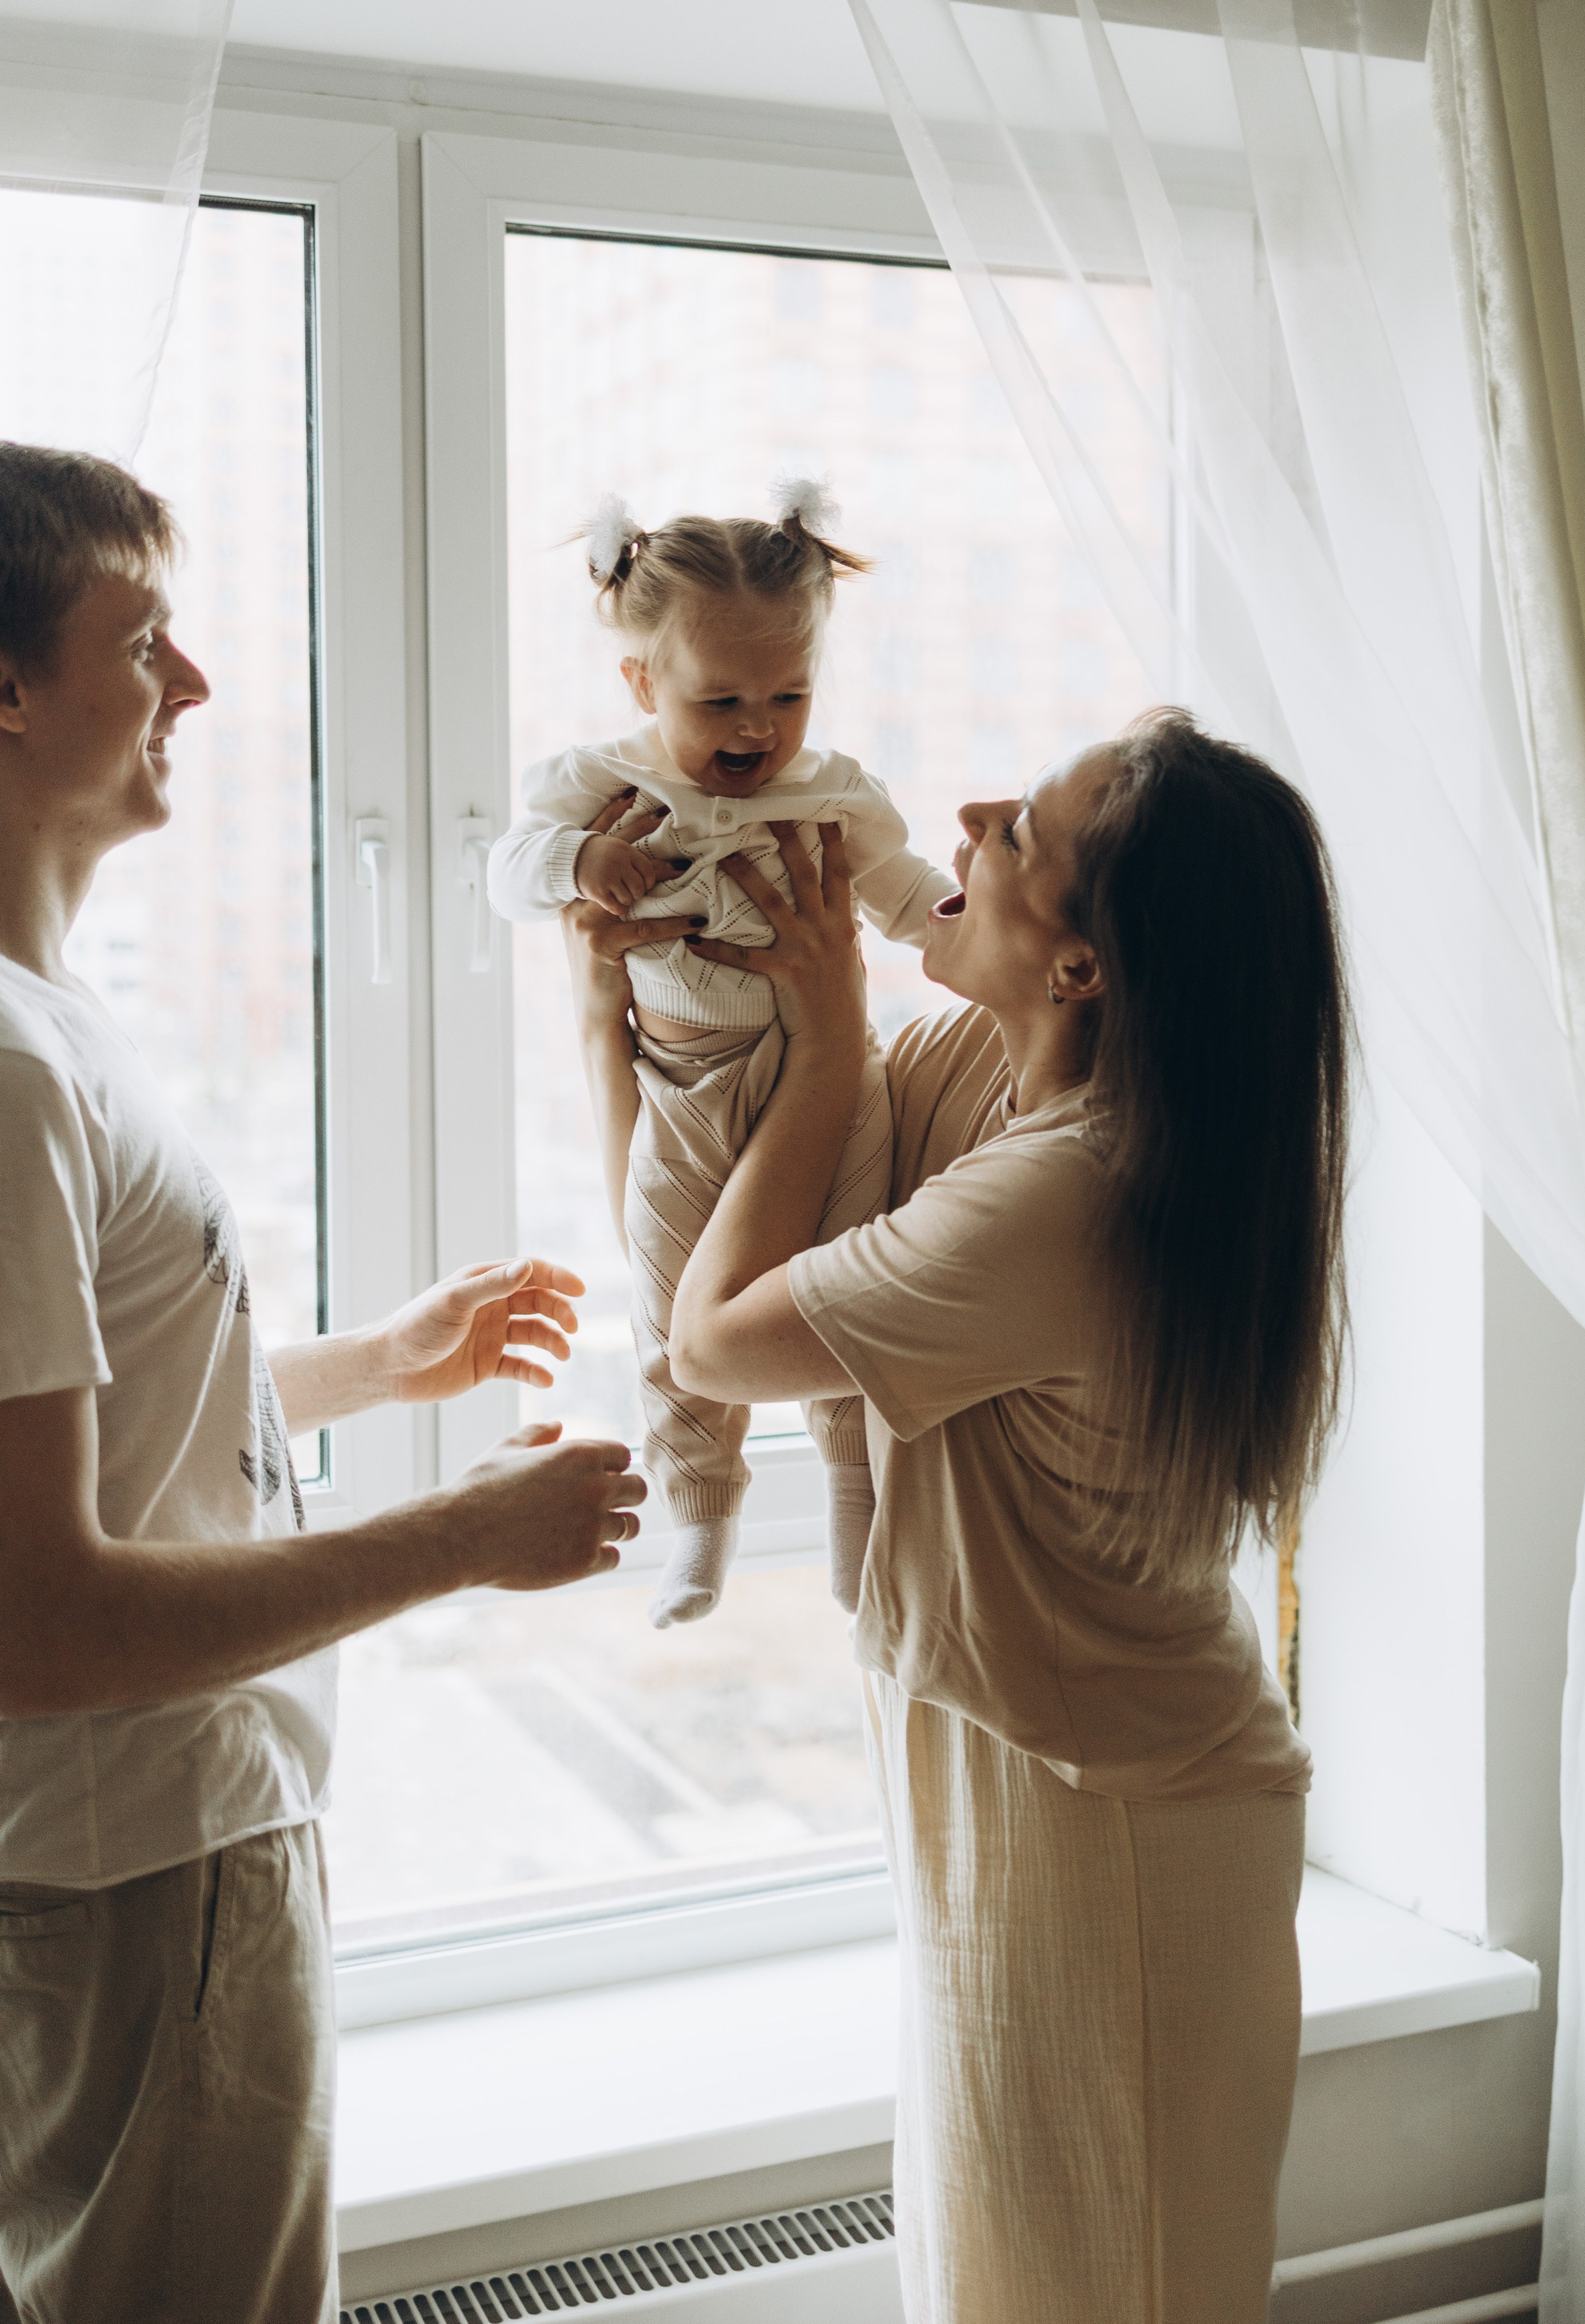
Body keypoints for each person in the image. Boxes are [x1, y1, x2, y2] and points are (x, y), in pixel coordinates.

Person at [0, 441, 655, 2324]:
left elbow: (59, 1428)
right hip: (136, 1885)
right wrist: (464, 1537)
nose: (193, 685)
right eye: (147, 638)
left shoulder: (37, 1026)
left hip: (131, 1867)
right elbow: (37, 1622)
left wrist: (369, 1365)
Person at [568, 710, 1348, 2323]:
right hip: (1044, 1767)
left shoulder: (1068, 1190)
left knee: (1085, 2286)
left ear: (1082, 971)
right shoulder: (1004, 1089)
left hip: (1106, 1819)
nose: (969, 816)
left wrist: (835, 1040)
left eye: (1023, 835)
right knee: (1009, 2269)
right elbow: (721, 1188)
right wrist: (624, 1001)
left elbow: (712, 1344)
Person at [488, 479, 953, 1629]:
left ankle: (852, 1490)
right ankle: (699, 1508)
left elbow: (903, 892)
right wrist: (580, 871)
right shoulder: (604, 785)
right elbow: (510, 870)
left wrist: (958, 924)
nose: (758, 726)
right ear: (643, 684)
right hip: (684, 1086)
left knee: (840, 1283)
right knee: (668, 1303)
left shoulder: (834, 790)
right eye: (724, 699)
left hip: (838, 1082)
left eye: (789, 694)